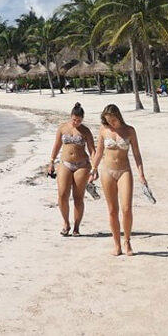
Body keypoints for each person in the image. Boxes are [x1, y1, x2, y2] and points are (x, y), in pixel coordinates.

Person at [90, 103, 148, 256]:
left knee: (127, 208)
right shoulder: (104, 130)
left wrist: (141, 174)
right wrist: (93, 169)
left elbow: (136, 153)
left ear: (119, 117)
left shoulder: (129, 131)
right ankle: (116, 244)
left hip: (124, 171)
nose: (111, 124)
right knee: (112, 210)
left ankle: (127, 240)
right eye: (108, 121)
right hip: (107, 172)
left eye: (113, 120)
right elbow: (99, 152)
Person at [47, 102, 95, 236]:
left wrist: (95, 168)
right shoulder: (62, 128)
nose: (76, 123)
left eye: (79, 121)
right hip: (65, 163)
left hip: (82, 165)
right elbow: (56, 146)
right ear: (71, 116)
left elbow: (92, 151)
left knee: (78, 197)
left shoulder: (85, 131)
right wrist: (51, 162)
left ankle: (76, 227)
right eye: (74, 120)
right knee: (62, 194)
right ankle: (66, 223)